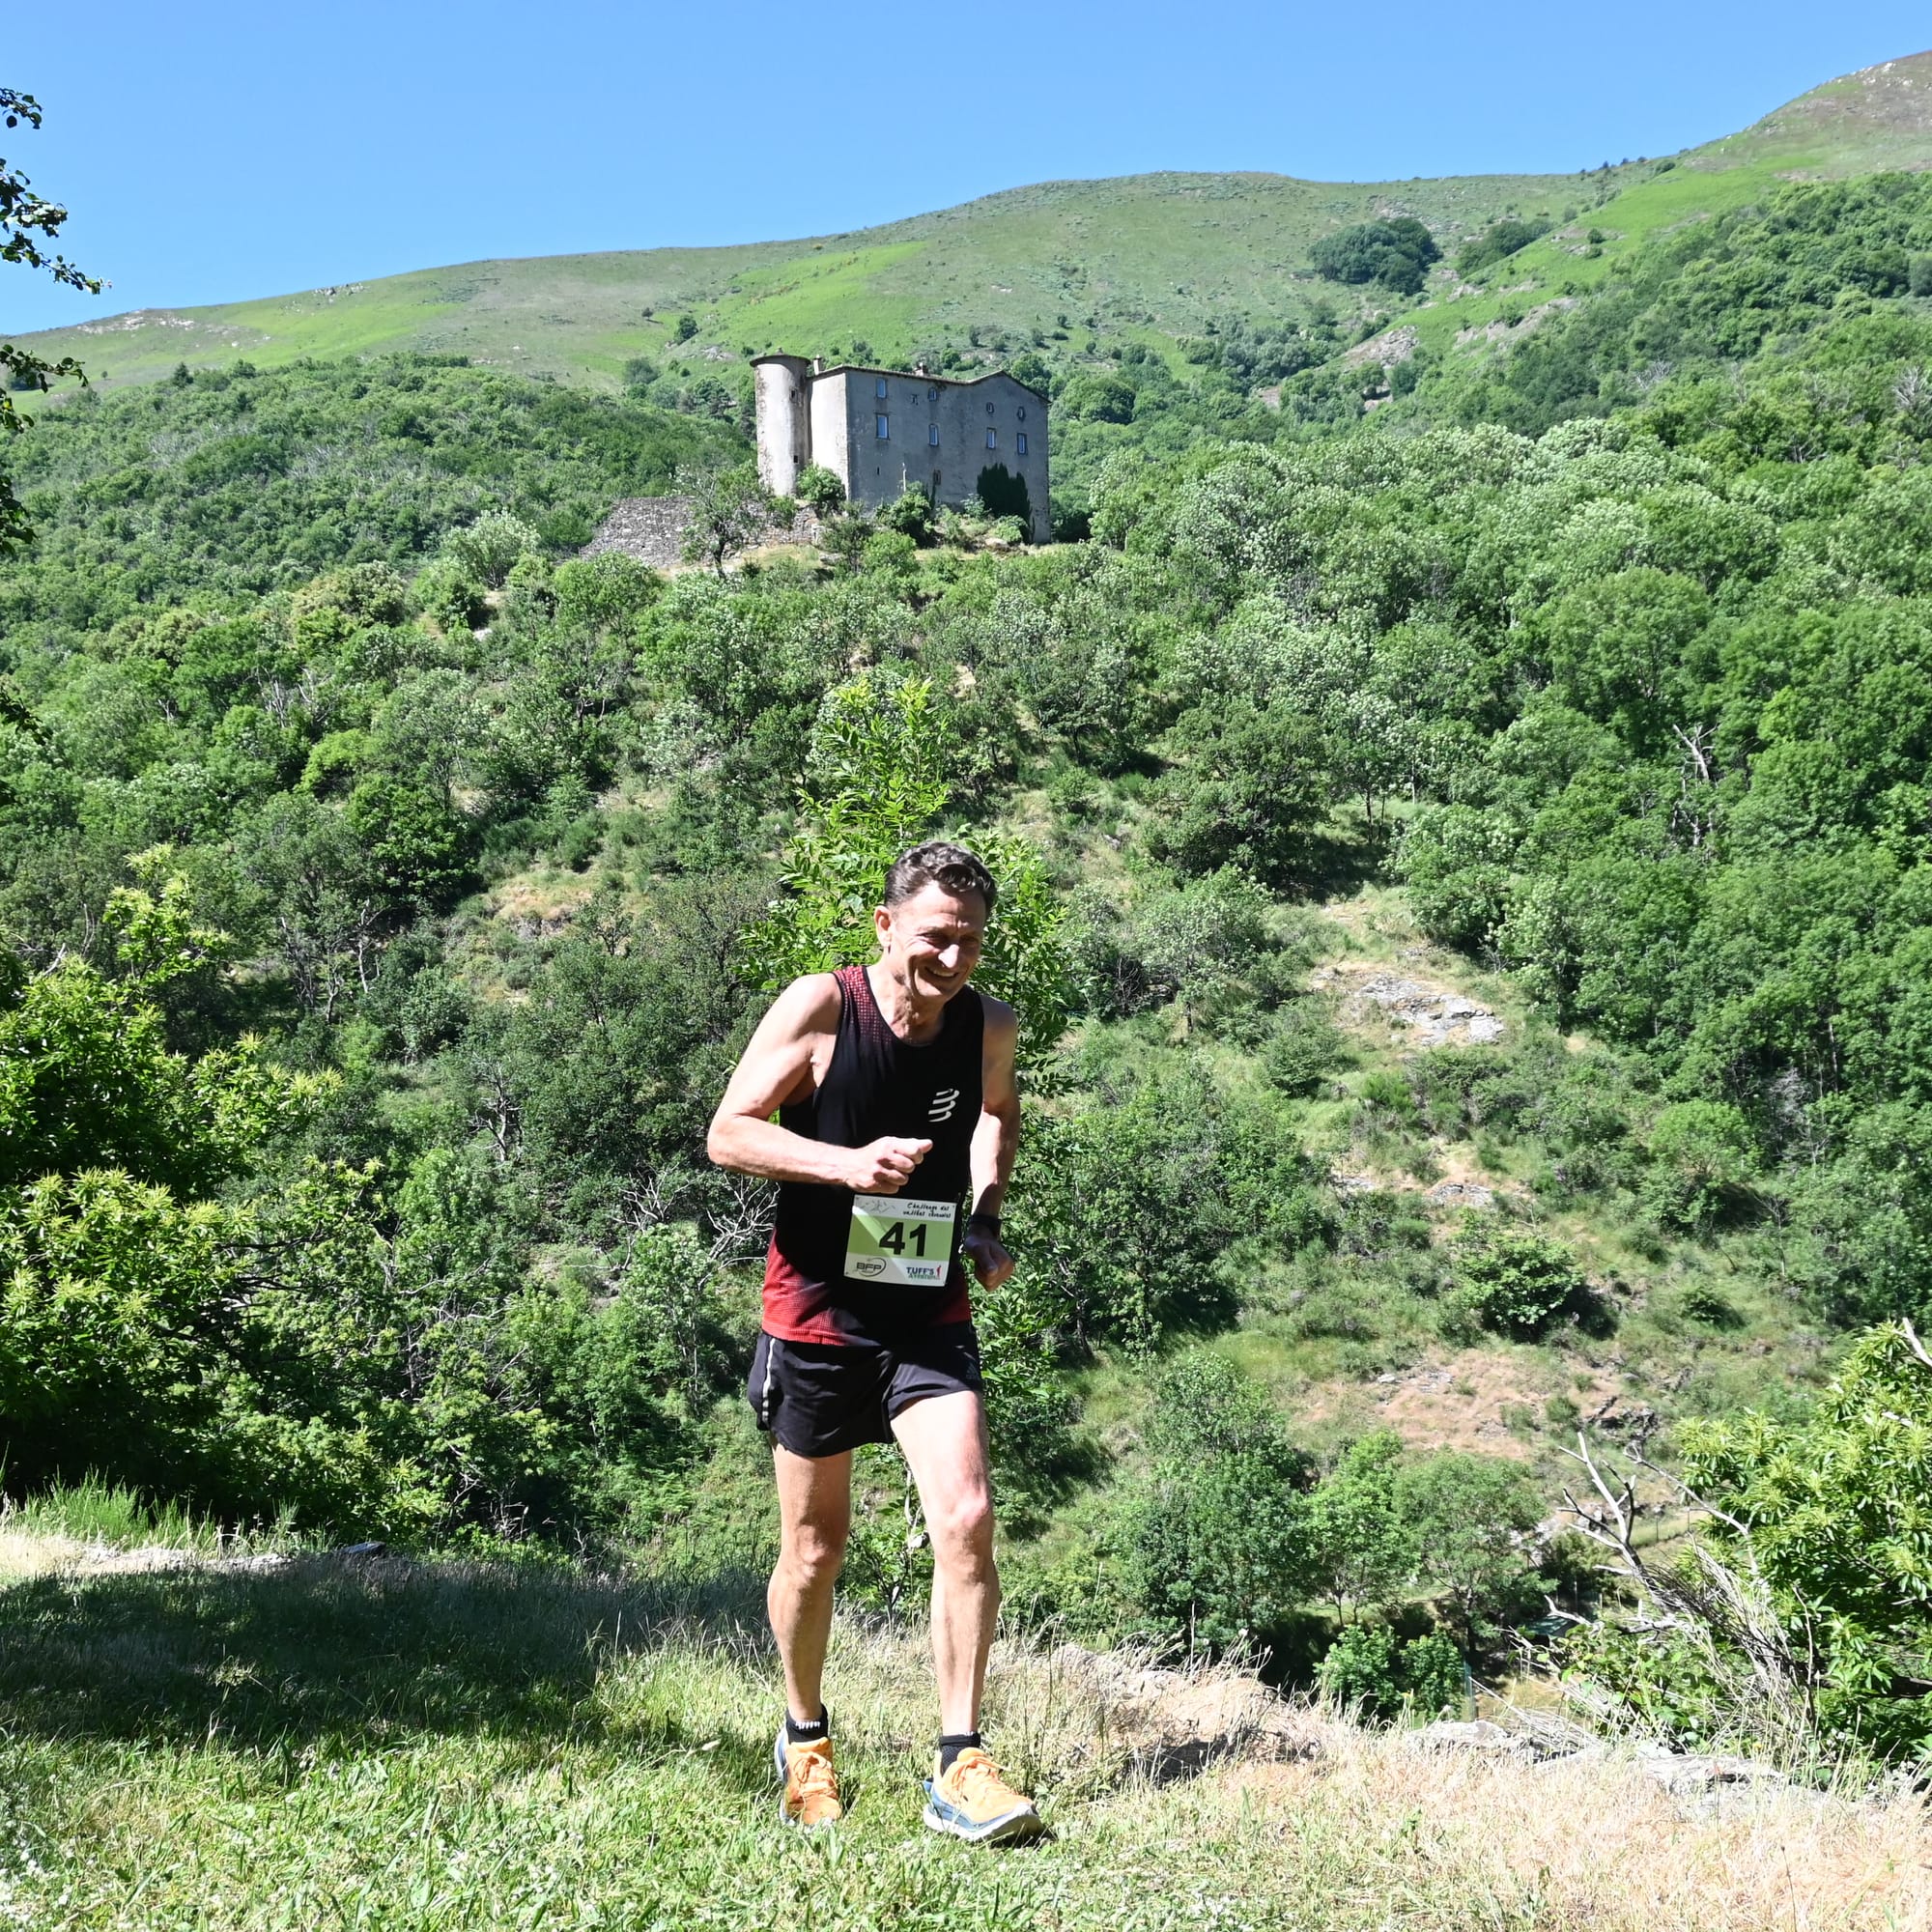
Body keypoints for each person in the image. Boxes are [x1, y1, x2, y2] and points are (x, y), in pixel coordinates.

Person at [706, 839, 1041, 1844]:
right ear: (886, 924)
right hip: (816, 1314)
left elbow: (995, 1112)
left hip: (926, 1305)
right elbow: (728, 1131)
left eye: (970, 941)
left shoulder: (986, 1023)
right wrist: (843, 1163)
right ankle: (804, 1733)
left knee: (967, 1514)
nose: (953, 959)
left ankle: (960, 1760)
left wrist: (985, 1216)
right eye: (936, 936)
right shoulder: (821, 1006)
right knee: (815, 1549)